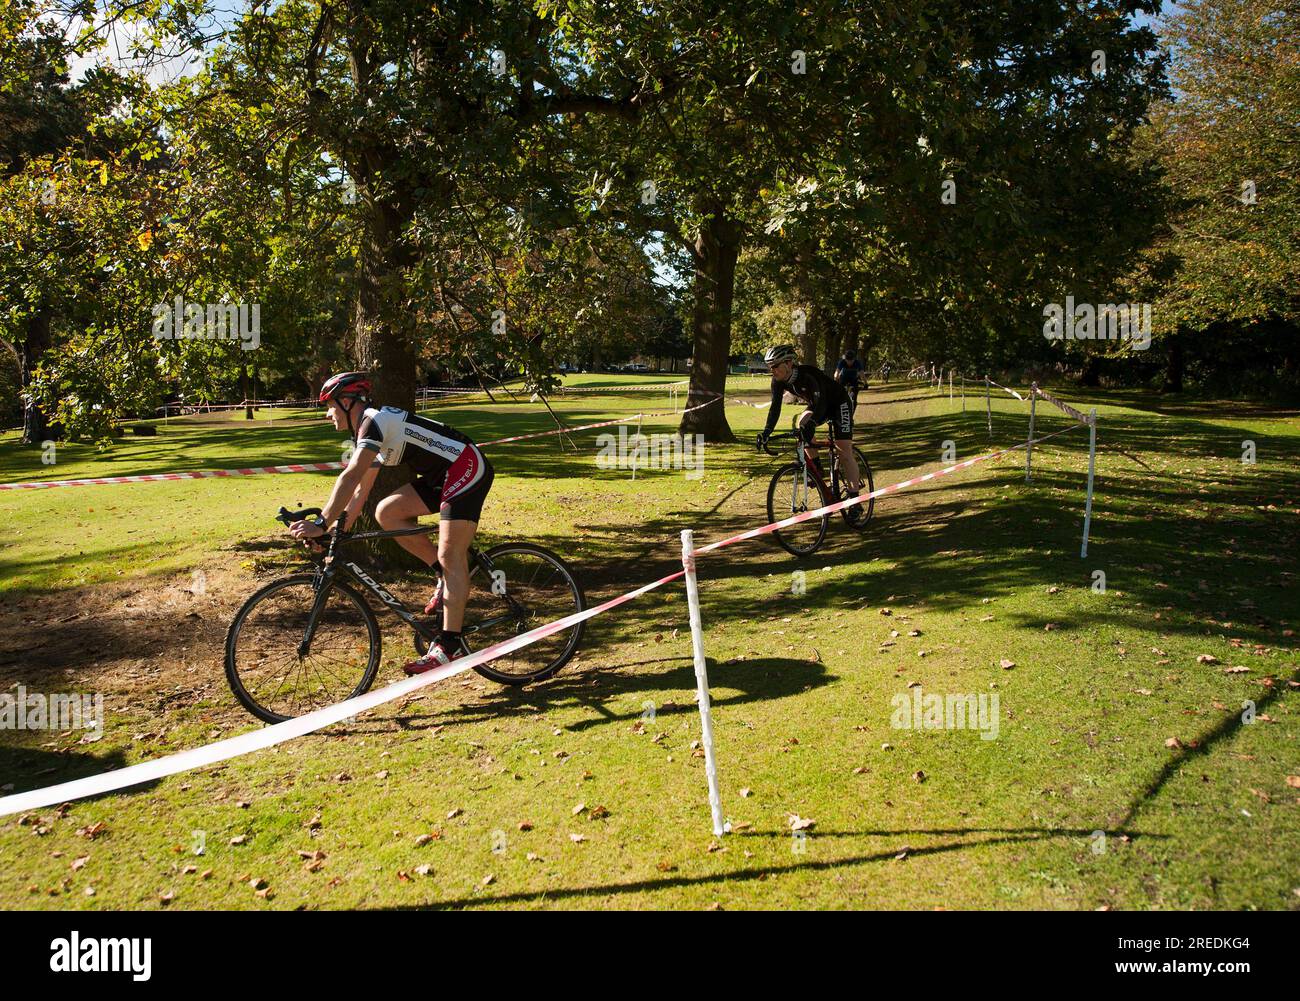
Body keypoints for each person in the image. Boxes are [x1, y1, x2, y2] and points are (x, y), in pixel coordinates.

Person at [287, 371, 494, 675]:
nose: (328, 414)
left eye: (330, 405)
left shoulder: (374, 422)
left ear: (347, 402)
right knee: (387, 512)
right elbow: (361, 491)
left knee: (451, 553)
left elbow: (352, 475)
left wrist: (321, 521)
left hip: (466, 466)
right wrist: (333, 532)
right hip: (442, 476)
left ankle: (448, 646)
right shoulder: (368, 431)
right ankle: (442, 577)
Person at [754, 345, 865, 522]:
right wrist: (766, 432)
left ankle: (855, 500)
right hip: (818, 406)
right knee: (801, 425)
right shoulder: (778, 381)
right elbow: (775, 408)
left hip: (838, 404)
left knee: (844, 452)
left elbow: (821, 403)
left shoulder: (808, 375)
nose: (772, 370)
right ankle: (817, 468)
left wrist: (812, 423)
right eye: (770, 366)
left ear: (789, 363)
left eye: (775, 366)